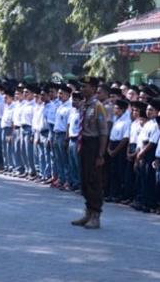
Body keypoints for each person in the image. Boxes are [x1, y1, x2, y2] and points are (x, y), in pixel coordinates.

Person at [71, 77, 109, 229]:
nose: (82, 89)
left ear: (93, 89)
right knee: (85, 179)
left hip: (93, 145)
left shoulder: (98, 106)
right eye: (81, 86)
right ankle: (87, 211)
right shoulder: (83, 105)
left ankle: (96, 215)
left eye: (85, 86)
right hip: (83, 144)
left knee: (94, 180)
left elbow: (103, 132)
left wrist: (100, 155)